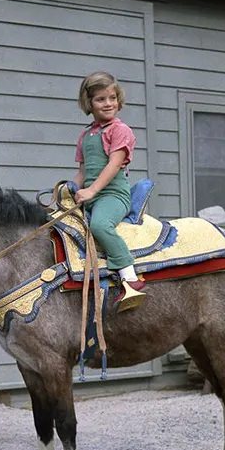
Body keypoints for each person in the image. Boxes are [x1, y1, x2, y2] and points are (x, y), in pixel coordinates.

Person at [72, 71, 145, 311]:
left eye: (112, 98)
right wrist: (70, 191)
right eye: (101, 99)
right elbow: (83, 172)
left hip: (113, 195)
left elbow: (114, 165)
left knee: (100, 225)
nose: (108, 103)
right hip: (91, 195)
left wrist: (92, 190)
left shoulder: (120, 130)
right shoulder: (86, 135)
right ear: (89, 103)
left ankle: (129, 276)